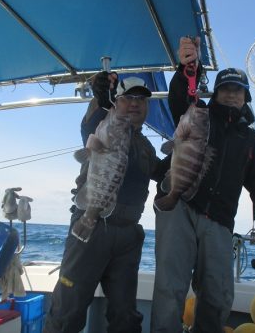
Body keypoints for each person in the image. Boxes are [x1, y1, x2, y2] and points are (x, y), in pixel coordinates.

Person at [150, 37, 255, 333]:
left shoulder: (250, 141)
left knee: (218, 296)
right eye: (225, 89)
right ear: (215, 94)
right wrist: (188, 67)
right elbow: (179, 98)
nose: (231, 95)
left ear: (245, 98)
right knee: (169, 288)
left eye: (237, 90)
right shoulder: (198, 115)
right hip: (179, 207)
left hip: (220, 223)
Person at [44, 72, 160, 333]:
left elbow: (162, 174)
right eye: (128, 98)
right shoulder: (104, 125)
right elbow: (91, 123)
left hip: (128, 237)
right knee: (67, 311)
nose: (134, 104)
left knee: (125, 316)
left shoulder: (146, 147)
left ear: (147, 108)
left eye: (141, 100)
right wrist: (99, 94)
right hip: (91, 227)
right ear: (115, 102)